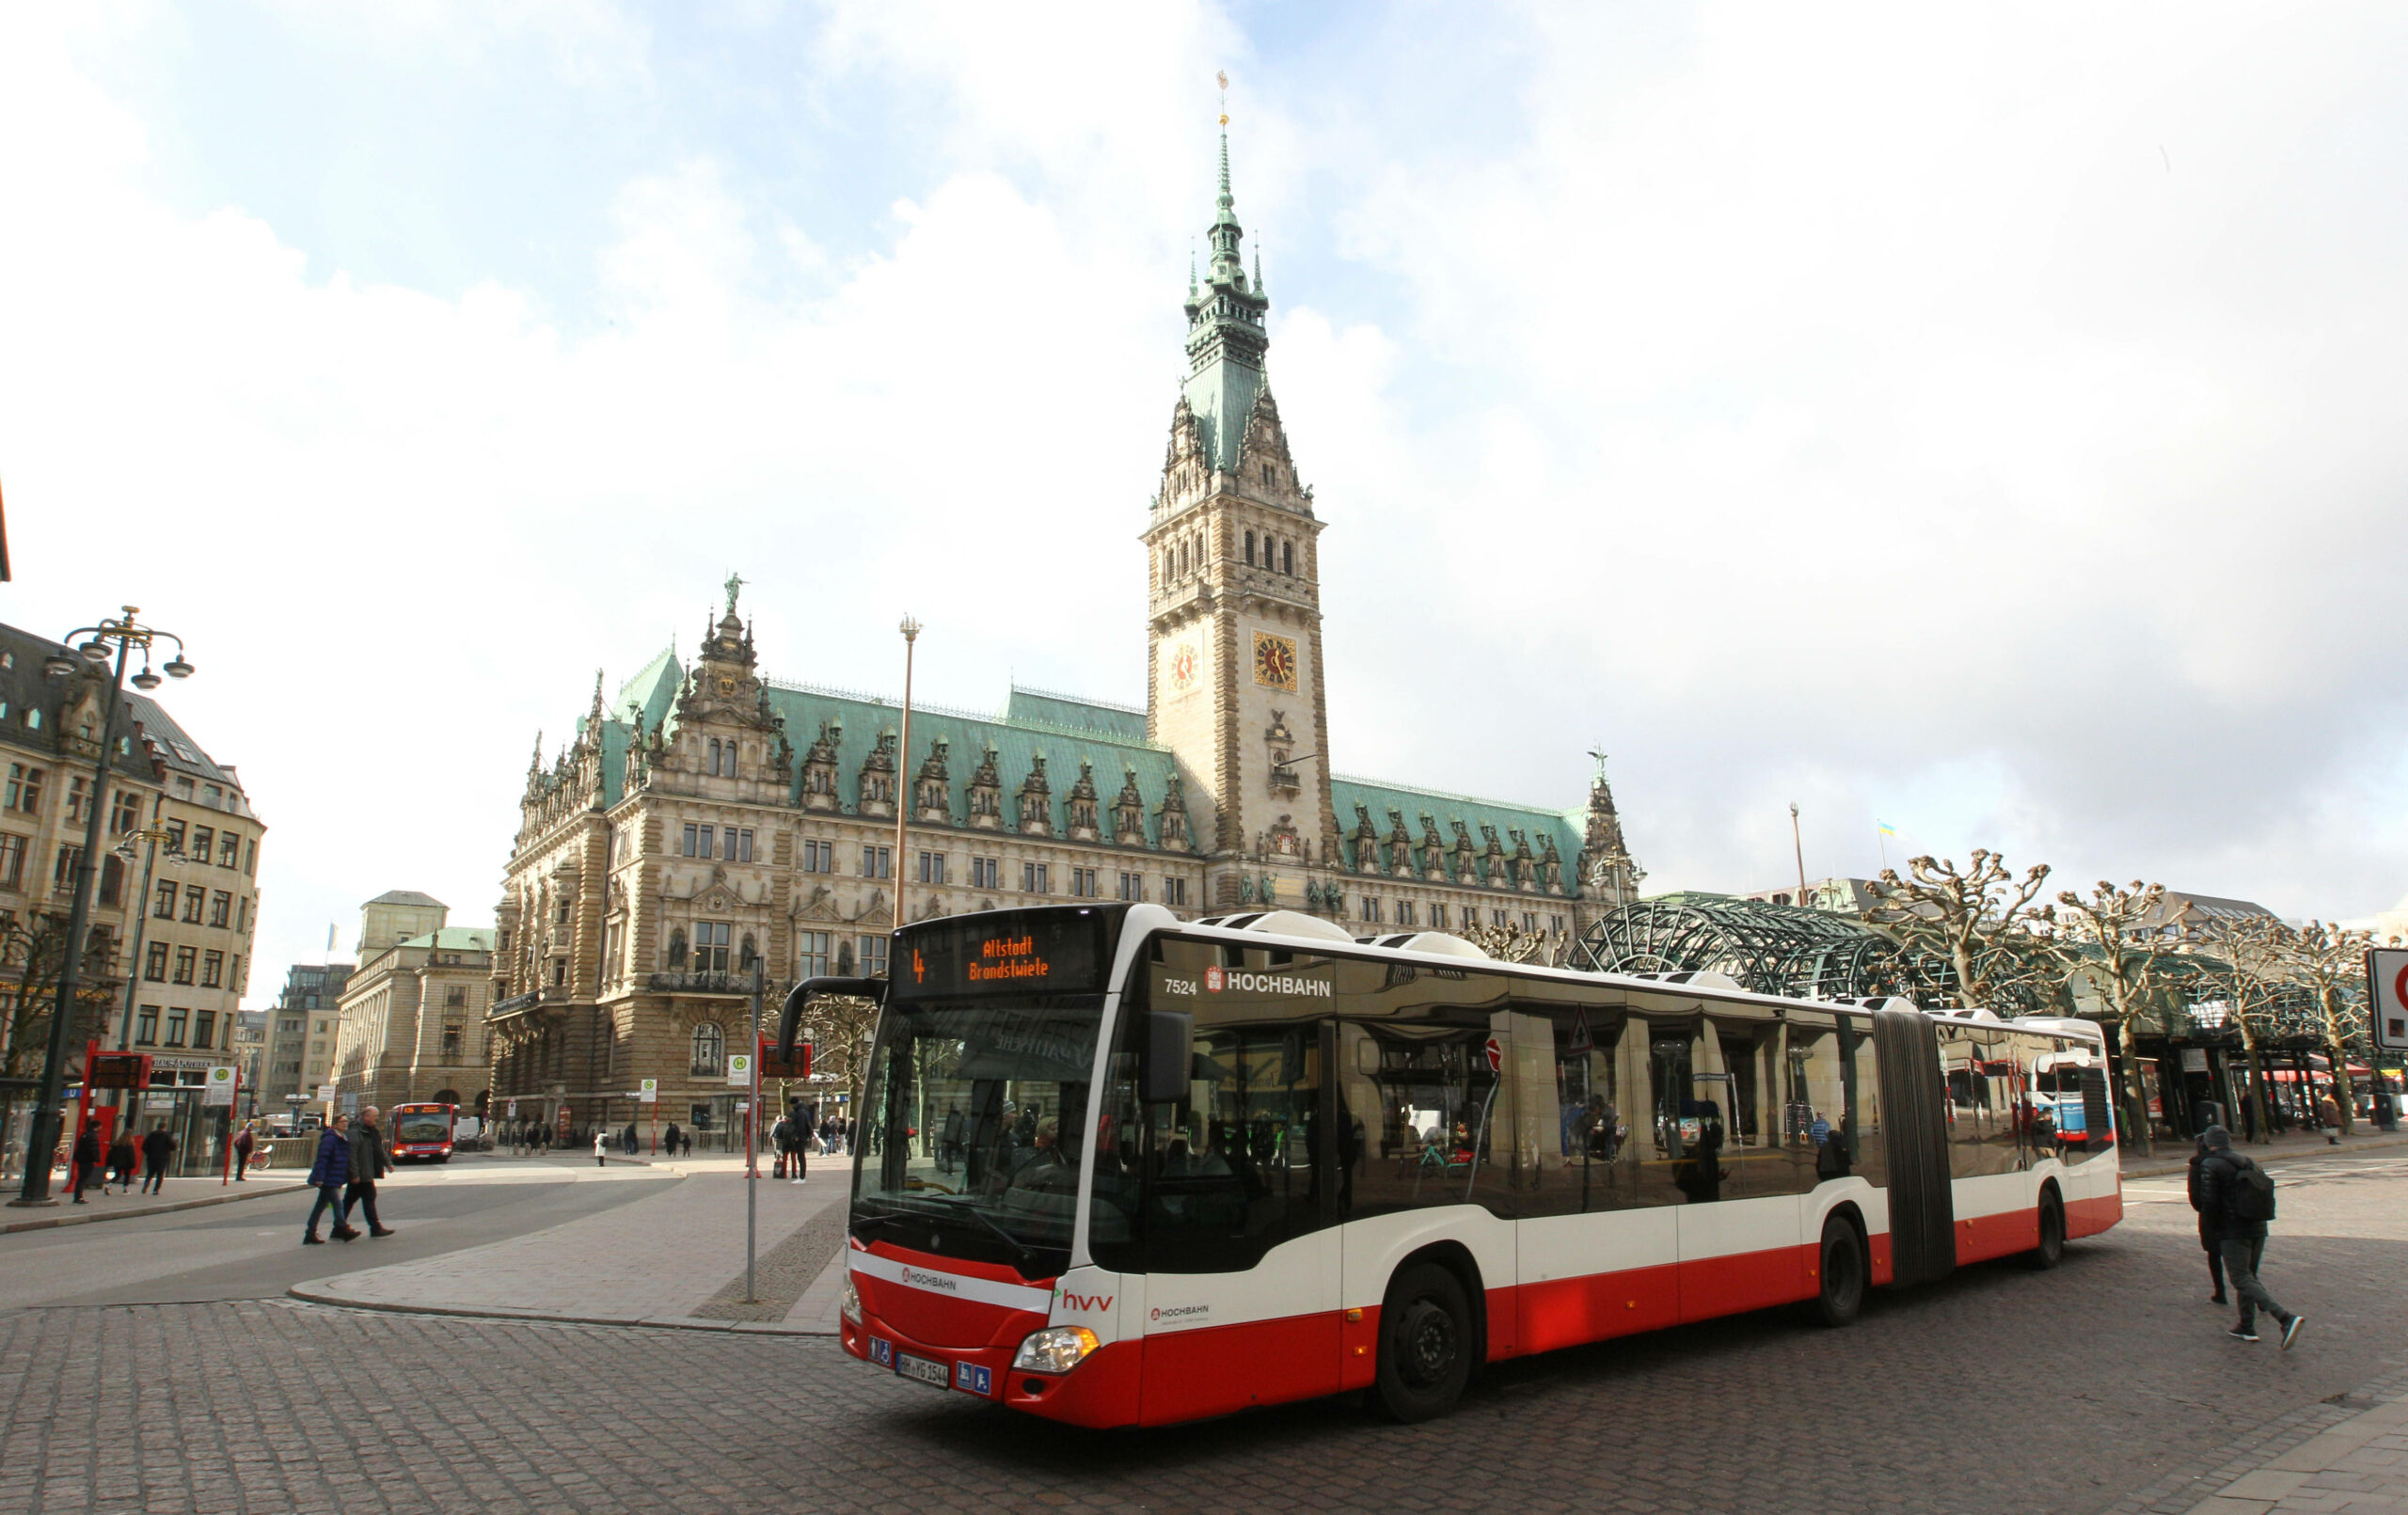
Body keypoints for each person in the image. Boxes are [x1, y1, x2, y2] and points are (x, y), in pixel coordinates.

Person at [2196, 1125, 2302, 1347]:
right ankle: (2247, 1325)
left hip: (2232, 1230)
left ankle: (2284, 1317)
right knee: (2249, 1276)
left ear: (2208, 1143)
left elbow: (2209, 1203)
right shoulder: (2249, 1161)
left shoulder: (2211, 1164)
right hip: (2258, 1226)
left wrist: (2212, 1232)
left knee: (2241, 1278)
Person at [2187, 1129, 2227, 1305]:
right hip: (2240, 1215)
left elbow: (2195, 1199)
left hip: (2211, 1217)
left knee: (2214, 1254)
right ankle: (2255, 1296)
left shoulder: (2197, 1165)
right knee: (2242, 1262)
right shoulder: (2240, 1160)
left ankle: (2220, 1291)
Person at [303, 1114, 357, 1244]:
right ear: (335, 1124)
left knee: (320, 1206)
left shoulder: (342, 1138)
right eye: (342, 1121)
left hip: (334, 1177)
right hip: (328, 1178)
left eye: (346, 1121)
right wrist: (320, 1177)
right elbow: (322, 1159)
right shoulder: (330, 1139)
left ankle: (310, 1233)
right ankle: (342, 1228)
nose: (345, 1124)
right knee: (337, 1204)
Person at [343, 1106, 395, 1238]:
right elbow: (352, 1155)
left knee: (350, 1200)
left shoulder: (371, 1131)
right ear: (366, 1116)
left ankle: (339, 1226)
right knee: (368, 1198)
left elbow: (379, 1149)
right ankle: (375, 1228)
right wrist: (354, 1174)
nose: (377, 1119)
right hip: (361, 1173)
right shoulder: (356, 1131)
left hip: (365, 1172)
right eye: (375, 1116)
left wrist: (388, 1163)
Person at [69, 1121, 102, 1205]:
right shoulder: (92, 1136)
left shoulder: (85, 1134)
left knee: (81, 1178)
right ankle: (78, 1197)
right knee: (83, 1179)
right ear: (97, 1127)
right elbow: (94, 1149)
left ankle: (78, 1196)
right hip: (88, 1160)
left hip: (82, 1159)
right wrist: (96, 1158)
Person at [139, 1122, 176, 1195]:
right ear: (164, 1127)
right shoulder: (167, 1136)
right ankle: (156, 1190)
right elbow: (173, 1146)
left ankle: (146, 1185)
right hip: (162, 1157)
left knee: (150, 1173)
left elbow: (144, 1146)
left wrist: (149, 1153)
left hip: (151, 1157)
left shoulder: (151, 1135)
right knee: (160, 1174)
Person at [106, 1127, 139, 1194]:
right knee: (127, 1175)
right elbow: (131, 1155)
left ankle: (109, 1185)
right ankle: (125, 1189)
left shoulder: (117, 1143)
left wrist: (110, 1162)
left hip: (117, 1162)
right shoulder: (129, 1144)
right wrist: (133, 1163)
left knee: (117, 1175)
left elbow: (111, 1153)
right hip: (127, 1163)